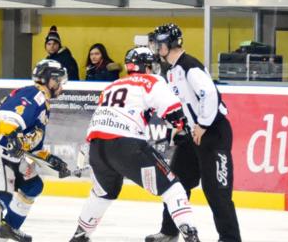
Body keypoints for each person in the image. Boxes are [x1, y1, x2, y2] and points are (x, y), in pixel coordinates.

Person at [71, 46, 199, 242]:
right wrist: (181, 127)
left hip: (97, 147)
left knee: (101, 194)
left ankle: (80, 236)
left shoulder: (112, 85)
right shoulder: (151, 80)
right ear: (147, 67)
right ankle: (192, 237)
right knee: (173, 189)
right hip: (126, 146)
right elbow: (172, 110)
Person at [146, 23, 240, 242]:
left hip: (213, 133)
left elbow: (210, 94)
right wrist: (181, 126)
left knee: (217, 191)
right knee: (175, 184)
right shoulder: (170, 70)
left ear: (169, 44)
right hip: (192, 135)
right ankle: (169, 232)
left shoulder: (189, 66)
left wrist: (203, 125)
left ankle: (230, 239)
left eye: (158, 43)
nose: (155, 48)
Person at [0, 59, 71, 242]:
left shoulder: (43, 103)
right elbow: (9, 116)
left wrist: (52, 160)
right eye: (59, 80)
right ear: (48, 80)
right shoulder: (34, 93)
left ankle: (9, 227)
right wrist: (13, 135)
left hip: (6, 152)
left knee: (32, 185)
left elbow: (32, 147)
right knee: (1, 194)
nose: (62, 85)